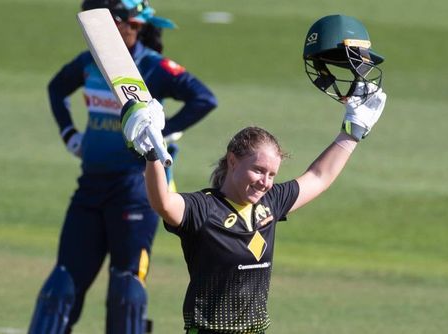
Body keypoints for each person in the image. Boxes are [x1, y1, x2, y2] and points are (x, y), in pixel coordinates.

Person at [120, 14, 386, 333]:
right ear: (233, 161)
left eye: (271, 174)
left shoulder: (269, 204)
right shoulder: (203, 209)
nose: (265, 181)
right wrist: (152, 154)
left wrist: (352, 132)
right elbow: (162, 203)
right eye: (258, 170)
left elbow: (319, 177)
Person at [28, 0, 217, 333]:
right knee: (61, 283)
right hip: (90, 187)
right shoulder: (89, 63)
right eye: (131, 23)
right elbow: (56, 88)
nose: (135, 29)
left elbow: (204, 98)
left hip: (134, 190)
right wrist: (69, 134)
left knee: (126, 287)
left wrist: (164, 130)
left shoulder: (153, 66)